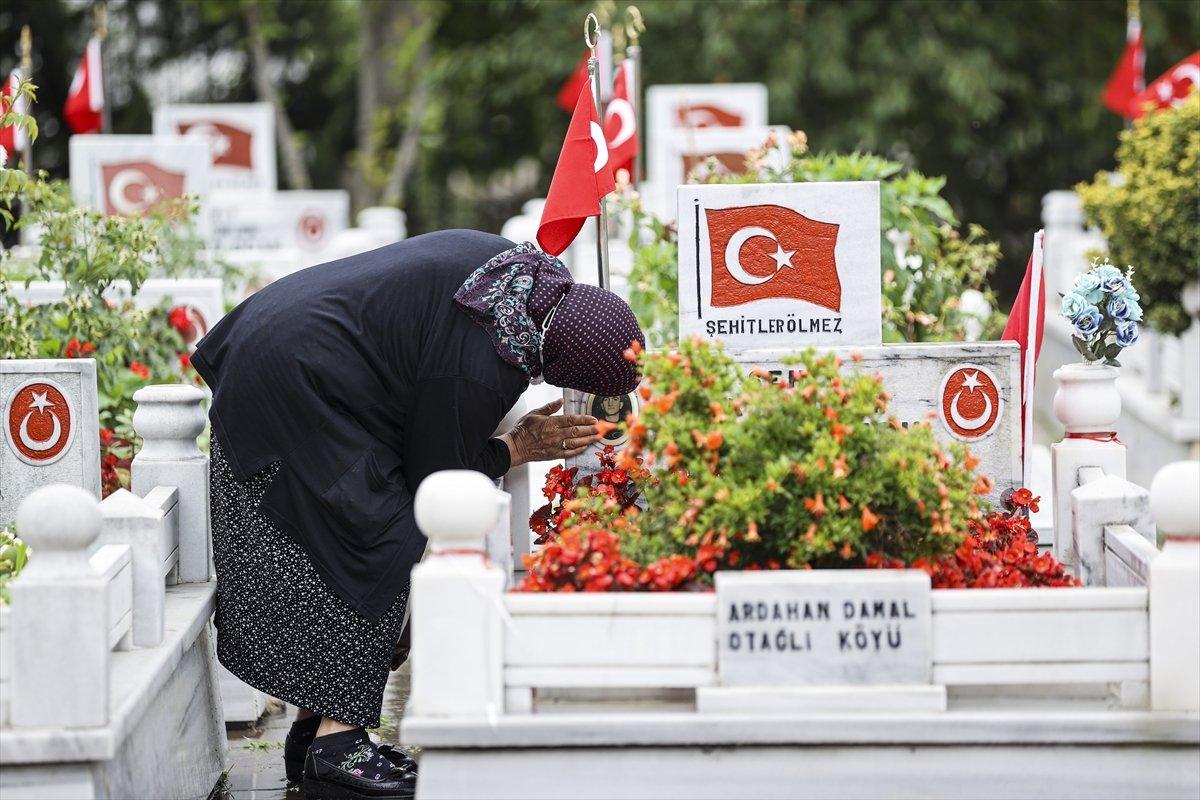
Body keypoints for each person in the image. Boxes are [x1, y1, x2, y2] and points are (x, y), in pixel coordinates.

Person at [191, 232, 645, 800]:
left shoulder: (518, 276)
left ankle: (311, 734)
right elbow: (439, 477)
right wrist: (519, 447)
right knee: (377, 533)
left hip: (280, 342)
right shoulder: (488, 359)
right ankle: (340, 747)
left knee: (339, 538)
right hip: (296, 374)